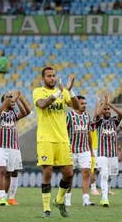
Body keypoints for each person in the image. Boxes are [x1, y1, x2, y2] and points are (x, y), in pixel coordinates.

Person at [33, 67, 79, 217]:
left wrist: (70, 91)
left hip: (62, 139)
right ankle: (46, 208)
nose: (52, 78)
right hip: (45, 138)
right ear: (43, 78)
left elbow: (78, 107)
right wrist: (59, 91)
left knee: (69, 173)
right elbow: (42, 104)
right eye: (49, 76)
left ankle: (59, 200)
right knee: (47, 171)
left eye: (53, 76)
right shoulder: (38, 91)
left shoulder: (64, 92)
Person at [0, 90, 31, 206]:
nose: (11, 98)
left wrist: (19, 98)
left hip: (13, 147)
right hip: (1, 146)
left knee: (11, 173)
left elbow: (27, 112)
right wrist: (8, 100)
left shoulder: (14, 114)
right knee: (2, 170)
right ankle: (2, 197)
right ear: (4, 101)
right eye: (8, 97)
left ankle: (9, 197)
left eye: (11, 97)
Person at [92, 93, 122, 207]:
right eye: (104, 109)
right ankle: (104, 198)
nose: (107, 110)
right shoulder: (99, 122)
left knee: (110, 175)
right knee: (104, 175)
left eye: (108, 109)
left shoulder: (114, 121)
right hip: (102, 153)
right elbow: (96, 114)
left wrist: (109, 103)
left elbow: (121, 114)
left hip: (113, 154)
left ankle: (105, 192)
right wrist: (104, 103)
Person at [65, 95, 95, 207]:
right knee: (69, 175)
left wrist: (91, 150)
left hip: (84, 150)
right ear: (75, 104)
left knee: (86, 173)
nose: (84, 106)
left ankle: (86, 199)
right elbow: (63, 132)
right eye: (82, 103)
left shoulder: (87, 116)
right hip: (71, 150)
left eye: (85, 103)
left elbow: (88, 134)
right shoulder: (69, 116)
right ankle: (67, 199)